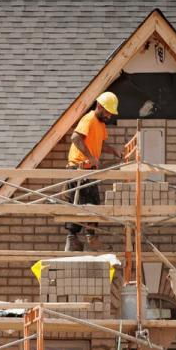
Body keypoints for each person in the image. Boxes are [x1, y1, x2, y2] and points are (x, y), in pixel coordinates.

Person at [64, 91, 122, 251]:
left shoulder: (101, 125)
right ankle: (76, 239)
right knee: (78, 205)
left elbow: (99, 144)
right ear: (100, 106)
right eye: (108, 112)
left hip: (88, 170)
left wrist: (114, 151)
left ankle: (89, 237)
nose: (109, 116)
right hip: (78, 168)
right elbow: (75, 138)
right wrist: (90, 157)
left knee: (92, 203)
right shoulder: (89, 119)